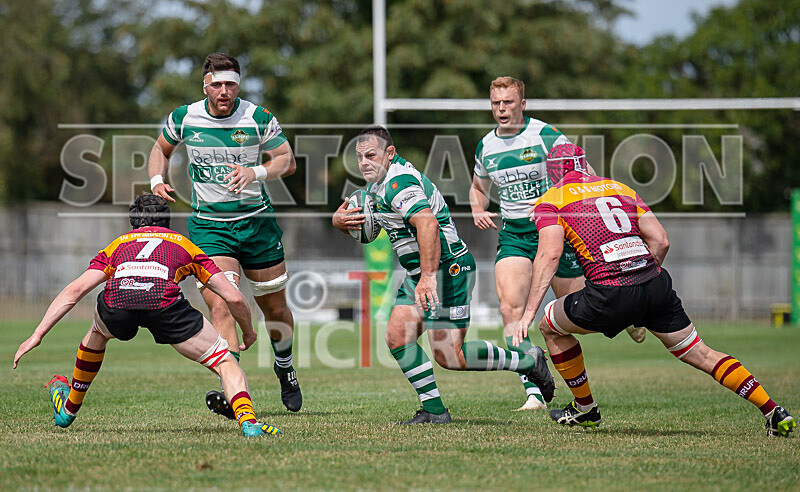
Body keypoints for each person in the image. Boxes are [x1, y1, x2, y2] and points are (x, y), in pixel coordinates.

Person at [513, 143, 796, 437]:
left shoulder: (551, 199)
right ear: (585, 166)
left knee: (549, 326)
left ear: (552, 173)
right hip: (655, 283)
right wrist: (641, 281)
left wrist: (528, 313)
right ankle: (773, 410)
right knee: (701, 353)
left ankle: (586, 409)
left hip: (610, 291)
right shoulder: (619, 188)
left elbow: (549, 255)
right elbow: (661, 241)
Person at [332, 126, 555, 424]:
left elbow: (428, 224)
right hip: (420, 272)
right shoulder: (377, 187)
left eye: (370, 155)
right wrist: (338, 221)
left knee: (450, 356)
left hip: (448, 270)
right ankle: (435, 411)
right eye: (359, 157)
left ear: (390, 153)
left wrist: (427, 277)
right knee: (398, 337)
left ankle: (529, 361)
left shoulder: (400, 183)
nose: (364, 162)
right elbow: (371, 228)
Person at [12, 194, 279, 437]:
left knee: (96, 333)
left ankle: (69, 409)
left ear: (133, 224)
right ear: (168, 222)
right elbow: (233, 296)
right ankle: (248, 422)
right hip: (164, 304)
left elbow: (75, 290)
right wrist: (249, 331)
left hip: (119, 301)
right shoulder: (186, 246)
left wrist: (37, 334)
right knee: (225, 362)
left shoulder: (118, 245)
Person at [470, 77, 644, 412]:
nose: (502, 109)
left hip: (555, 231)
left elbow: (584, 173)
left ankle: (627, 317)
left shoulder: (547, 135)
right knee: (509, 307)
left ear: (523, 103)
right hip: (515, 235)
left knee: (582, 308)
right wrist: (478, 206)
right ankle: (532, 388)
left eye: (508, 102)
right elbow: (478, 187)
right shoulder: (486, 146)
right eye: (496, 103)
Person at [148, 52, 301, 417]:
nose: (223, 91)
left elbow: (287, 160)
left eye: (230, 84)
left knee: (274, 307)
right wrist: (157, 179)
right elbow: (160, 149)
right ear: (205, 85)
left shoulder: (257, 117)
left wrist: (256, 173)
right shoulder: (185, 117)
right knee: (221, 303)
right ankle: (235, 393)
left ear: (238, 85)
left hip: (257, 225)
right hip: (210, 227)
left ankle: (285, 367)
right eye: (216, 84)